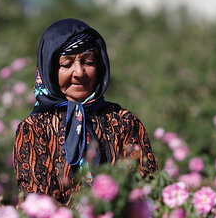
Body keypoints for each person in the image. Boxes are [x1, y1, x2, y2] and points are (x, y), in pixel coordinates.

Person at [13, 18, 157, 205]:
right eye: (66, 64)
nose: (79, 72)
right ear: (49, 69)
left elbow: (145, 189)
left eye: (88, 62)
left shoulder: (124, 123)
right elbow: (37, 202)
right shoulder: (34, 129)